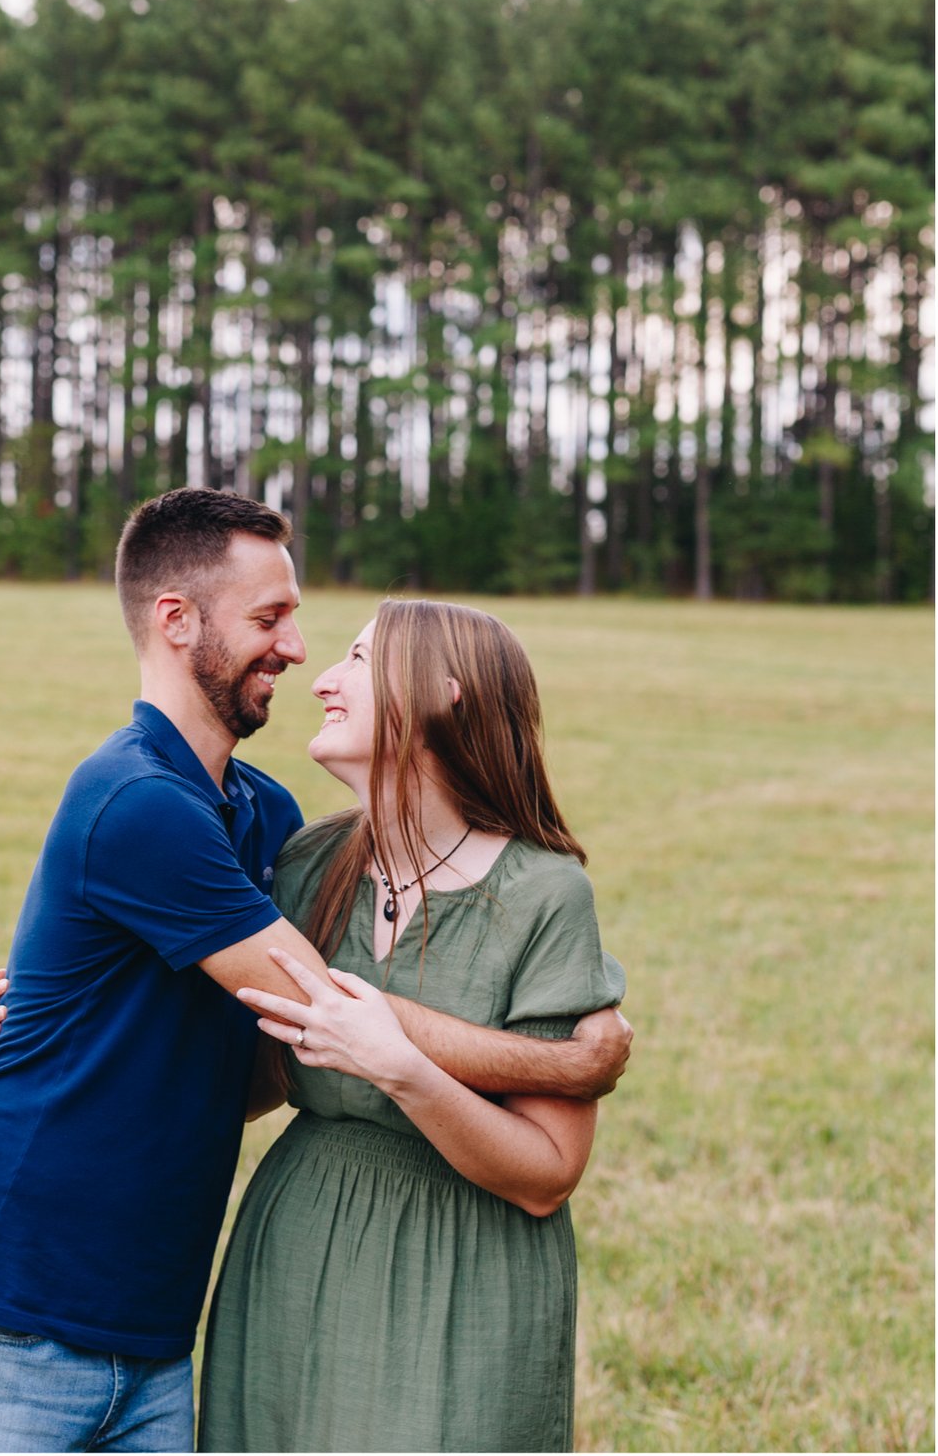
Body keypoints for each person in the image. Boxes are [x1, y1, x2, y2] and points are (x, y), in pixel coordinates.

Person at [0, 488, 629, 1454]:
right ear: (176, 620)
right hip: (15, 1312)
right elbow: (325, 1009)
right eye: (270, 617)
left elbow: (285, 1043)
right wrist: (567, 1065)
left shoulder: (270, 825)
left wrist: (75, 1010)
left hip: (156, 1336)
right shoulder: (136, 800)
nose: (296, 649)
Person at [189, 600, 621, 1450]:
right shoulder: (309, 864)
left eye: (357, 658)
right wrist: (72, 1015)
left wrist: (405, 1068)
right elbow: (244, 1076)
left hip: (465, 1266)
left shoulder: (545, 894)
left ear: (441, 696)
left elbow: (548, 1173)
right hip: (299, 1242)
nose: (322, 679)